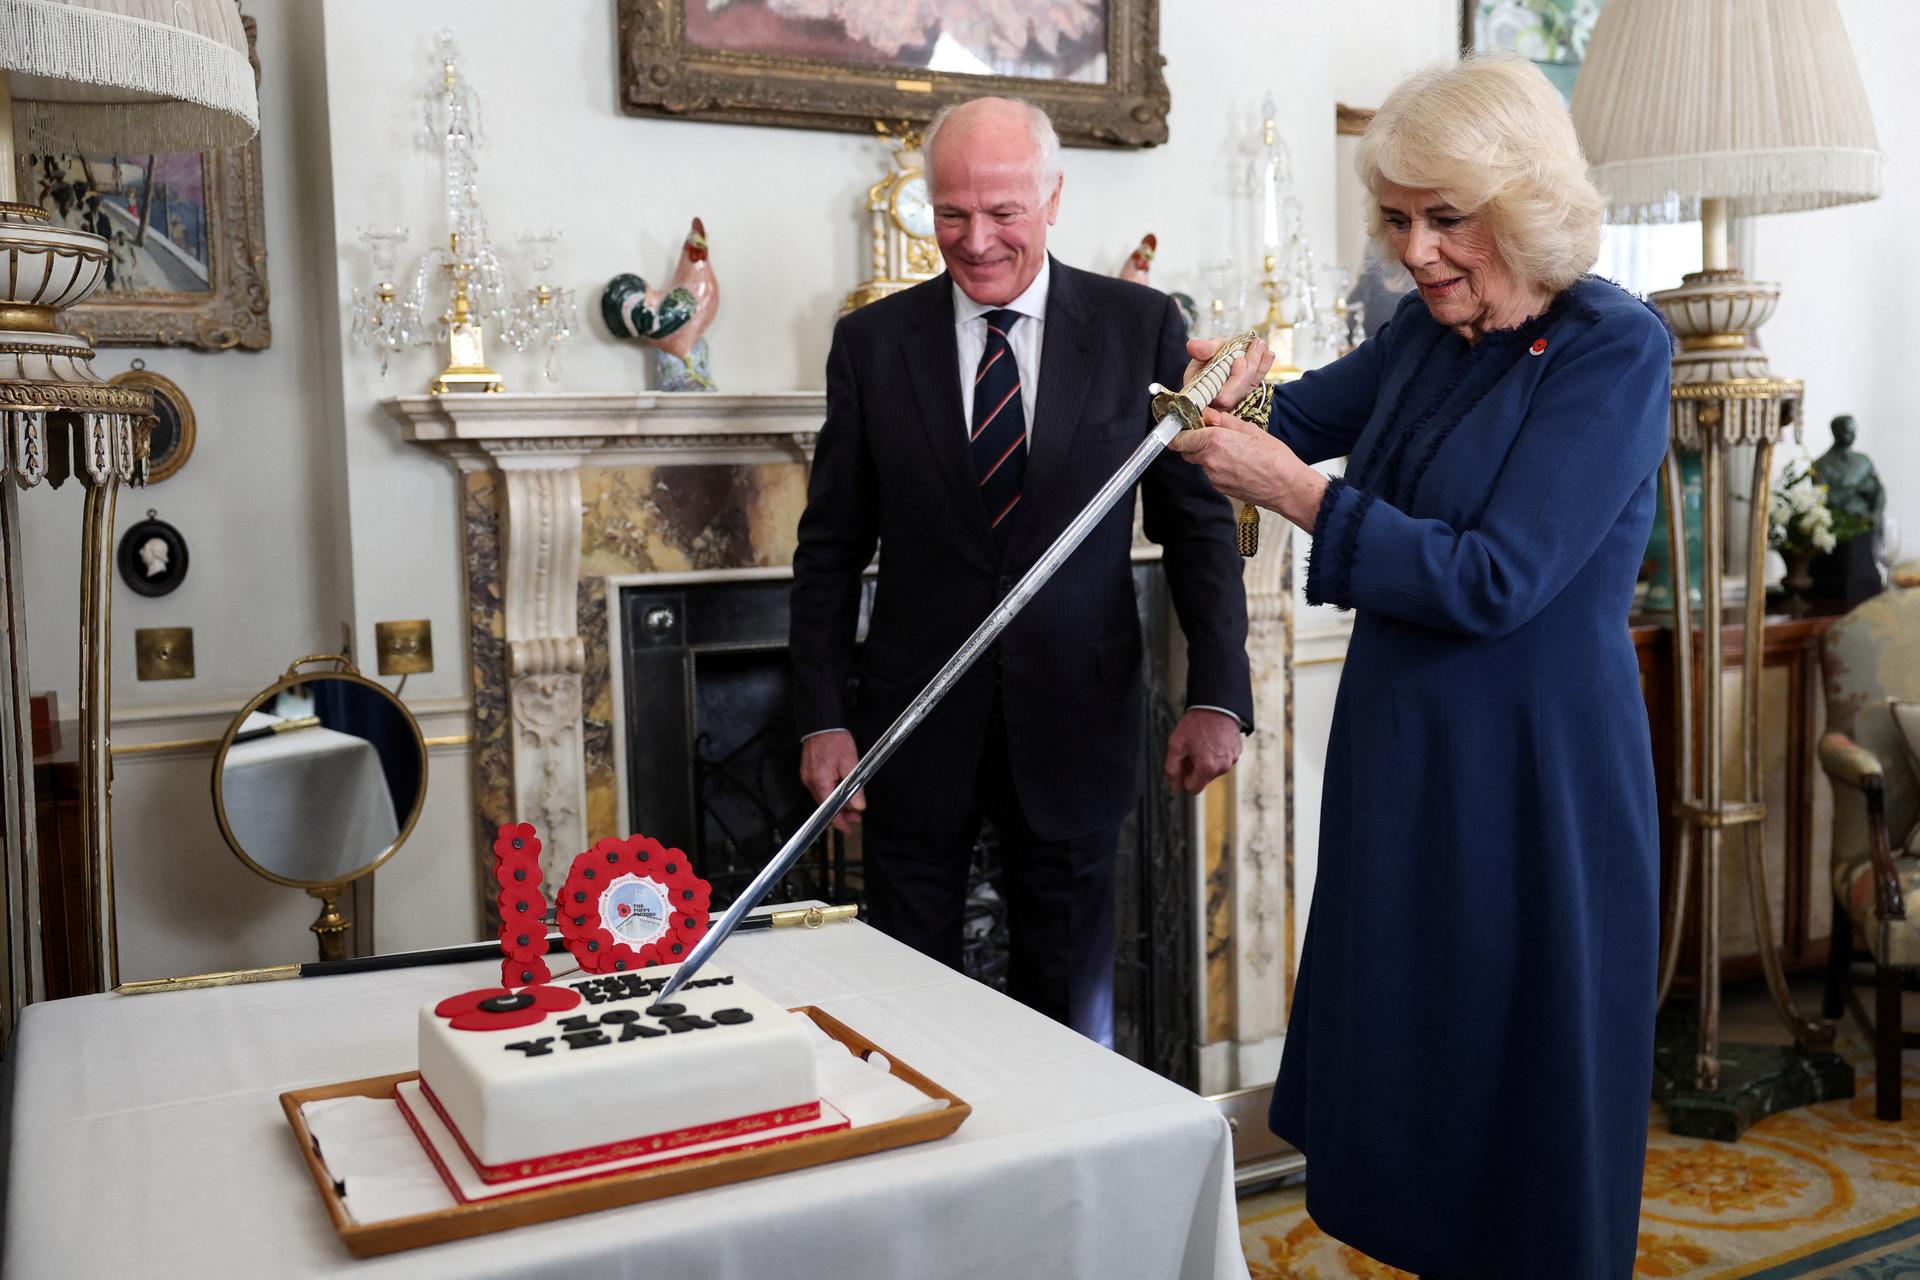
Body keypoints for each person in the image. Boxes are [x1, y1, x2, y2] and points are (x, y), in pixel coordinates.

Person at [1171, 55, 1670, 1278]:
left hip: (1535, 768)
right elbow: (1290, 414)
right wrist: (1214, 393)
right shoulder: (1422, 333)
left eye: (1448, 218)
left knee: (1522, 1083)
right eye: (1398, 219)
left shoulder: (1617, 345)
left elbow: (1497, 575)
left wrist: (1291, 494)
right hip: (1408, 749)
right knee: (1424, 1063)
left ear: (1526, 203)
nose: (1419, 249)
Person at [790, 97, 1254, 1045]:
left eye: (1002, 211)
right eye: (951, 212)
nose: (975, 239)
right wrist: (822, 714)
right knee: (908, 1007)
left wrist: (1219, 690)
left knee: (1069, 1003)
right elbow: (830, 545)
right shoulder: (872, 346)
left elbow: (1197, 525)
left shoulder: (1140, 327)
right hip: (911, 728)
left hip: (1079, 722)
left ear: (1053, 199)